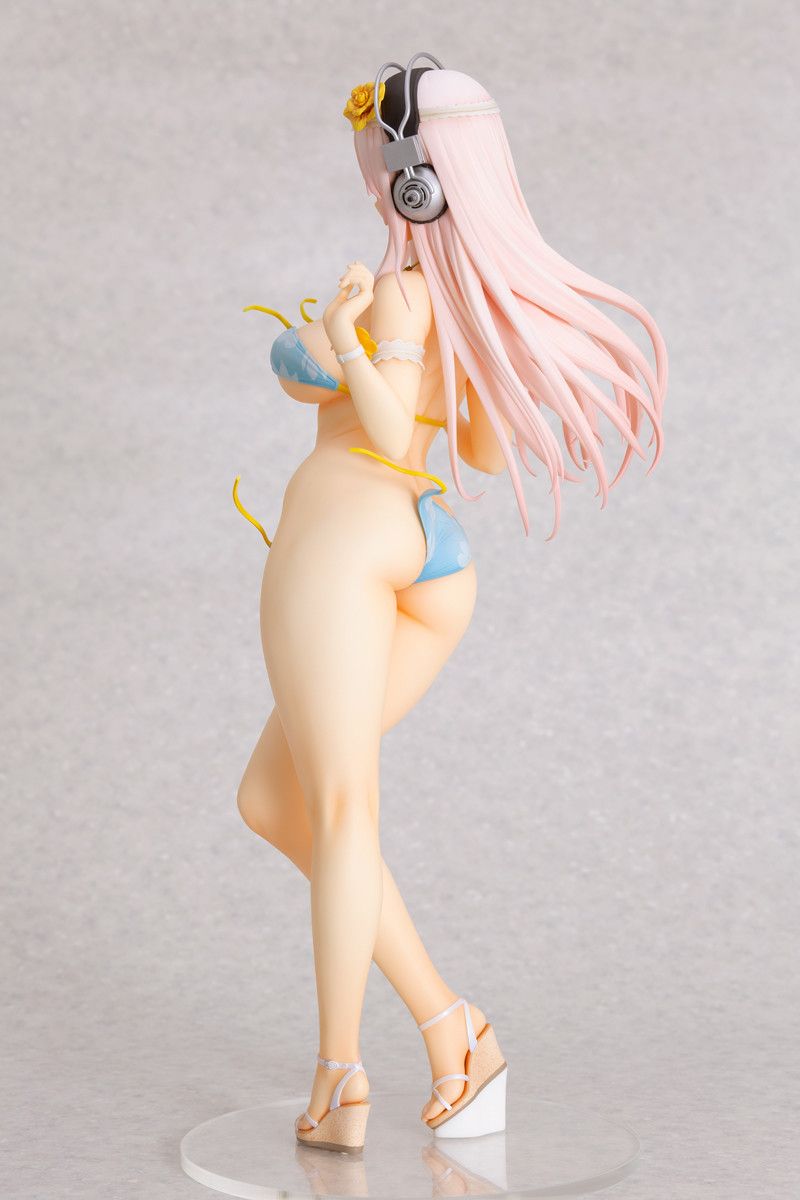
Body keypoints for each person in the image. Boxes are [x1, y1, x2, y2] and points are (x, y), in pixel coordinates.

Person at [234, 55, 667, 1154]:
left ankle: (340, 1080)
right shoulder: (461, 306)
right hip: (431, 560)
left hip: (345, 546)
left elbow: (385, 431)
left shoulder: (395, 295)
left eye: (374, 165)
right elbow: (468, 445)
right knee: (275, 800)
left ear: (409, 178)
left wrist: (341, 337)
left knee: (340, 811)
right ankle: (453, 1027)